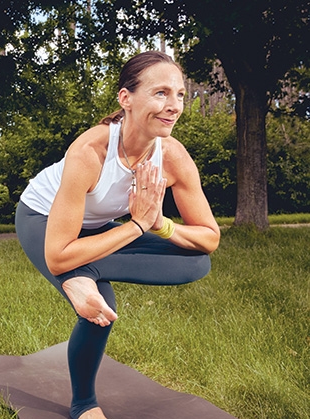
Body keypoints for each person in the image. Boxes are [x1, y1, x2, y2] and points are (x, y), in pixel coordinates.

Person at [14, 51, 220, 419]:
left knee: (197, 262)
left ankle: (83, 274)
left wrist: (159, 224)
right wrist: (136, 225)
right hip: (42, 220)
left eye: (180, 95)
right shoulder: (91, 151)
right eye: (160, 93)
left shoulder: (172, 156)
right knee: (99, 309)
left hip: (96, 229)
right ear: (125, 98)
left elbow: (209, 238)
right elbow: (57, 255)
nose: (174, 106)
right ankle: (84, 405)